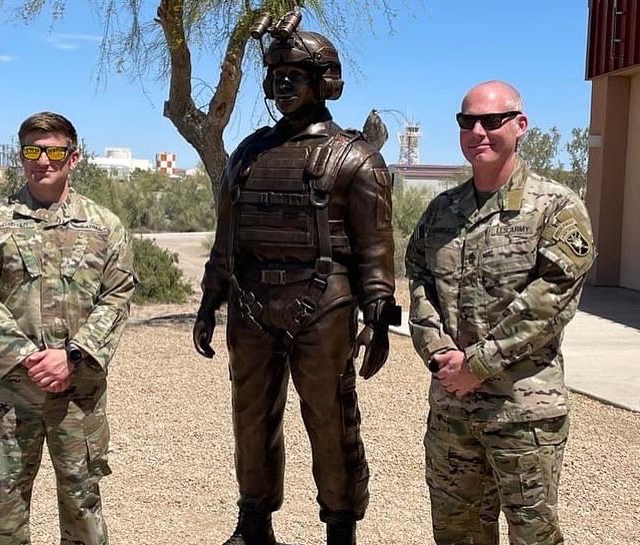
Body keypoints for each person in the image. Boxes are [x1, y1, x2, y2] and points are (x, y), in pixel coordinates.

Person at [192, 13, 399, 545]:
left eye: (296, 75)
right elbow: (228, 238)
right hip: (252, 303)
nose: (283, 85)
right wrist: (210, 298)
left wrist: (378, 318)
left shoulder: (357, 159)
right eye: (277, 76)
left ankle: (340, 526)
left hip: (325, 302)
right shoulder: (248, 154)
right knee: (251, 416)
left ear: (325, 82)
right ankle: (254, 519)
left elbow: (376, 250)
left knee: (332, 419)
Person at [406, 80, 596, 545]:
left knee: (534, 536)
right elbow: (418, 281)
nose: (478, 131)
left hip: (522, 413)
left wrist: (479, 364)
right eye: (467, 121)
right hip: (452, 409)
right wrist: (439, 354)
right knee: (458, 535)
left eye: (492, 121)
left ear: (520, 125)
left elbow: (552, 298)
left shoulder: (555, 206)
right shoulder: (441, 212)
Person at [0, 111, 137, 545]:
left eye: (55, 150)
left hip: (78, 395)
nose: (44, 160)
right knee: (4, 510)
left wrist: (71, 357)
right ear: (20, 157)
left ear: (73, 158)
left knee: (82, 506)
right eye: (32, 151)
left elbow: (117, 296)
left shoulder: (105, 226)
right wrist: (26, 358)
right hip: (10, 397)